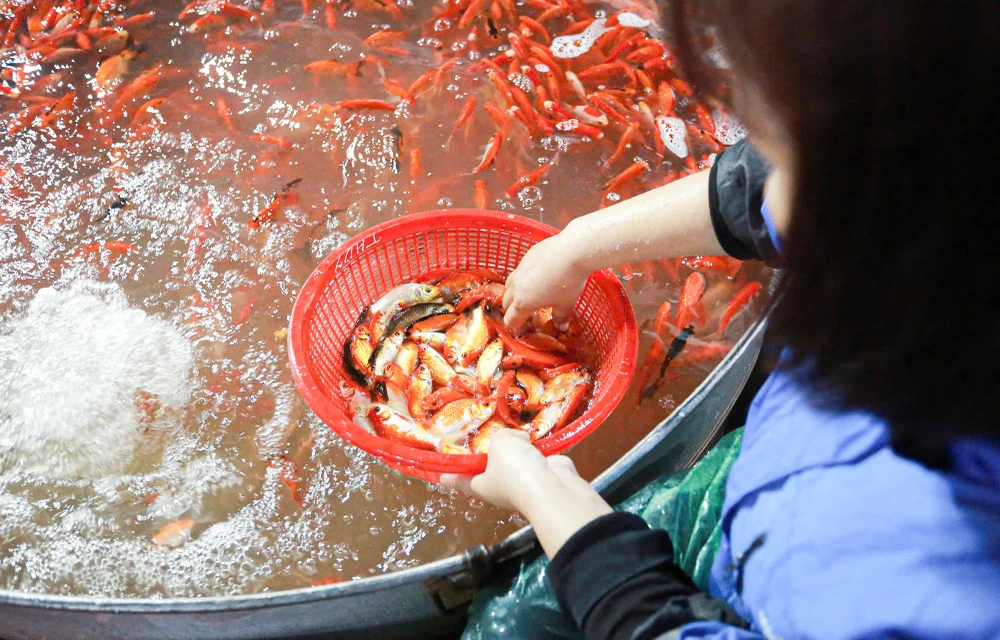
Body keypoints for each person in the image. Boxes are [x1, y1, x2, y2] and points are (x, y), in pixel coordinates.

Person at [442, 1, 1000, 637]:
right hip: (767, 479)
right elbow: (765, 191)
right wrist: (579, 245)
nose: (769, 191)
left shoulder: (910, 592)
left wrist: (555, 505)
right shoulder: (940, 235)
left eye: (786, 160)